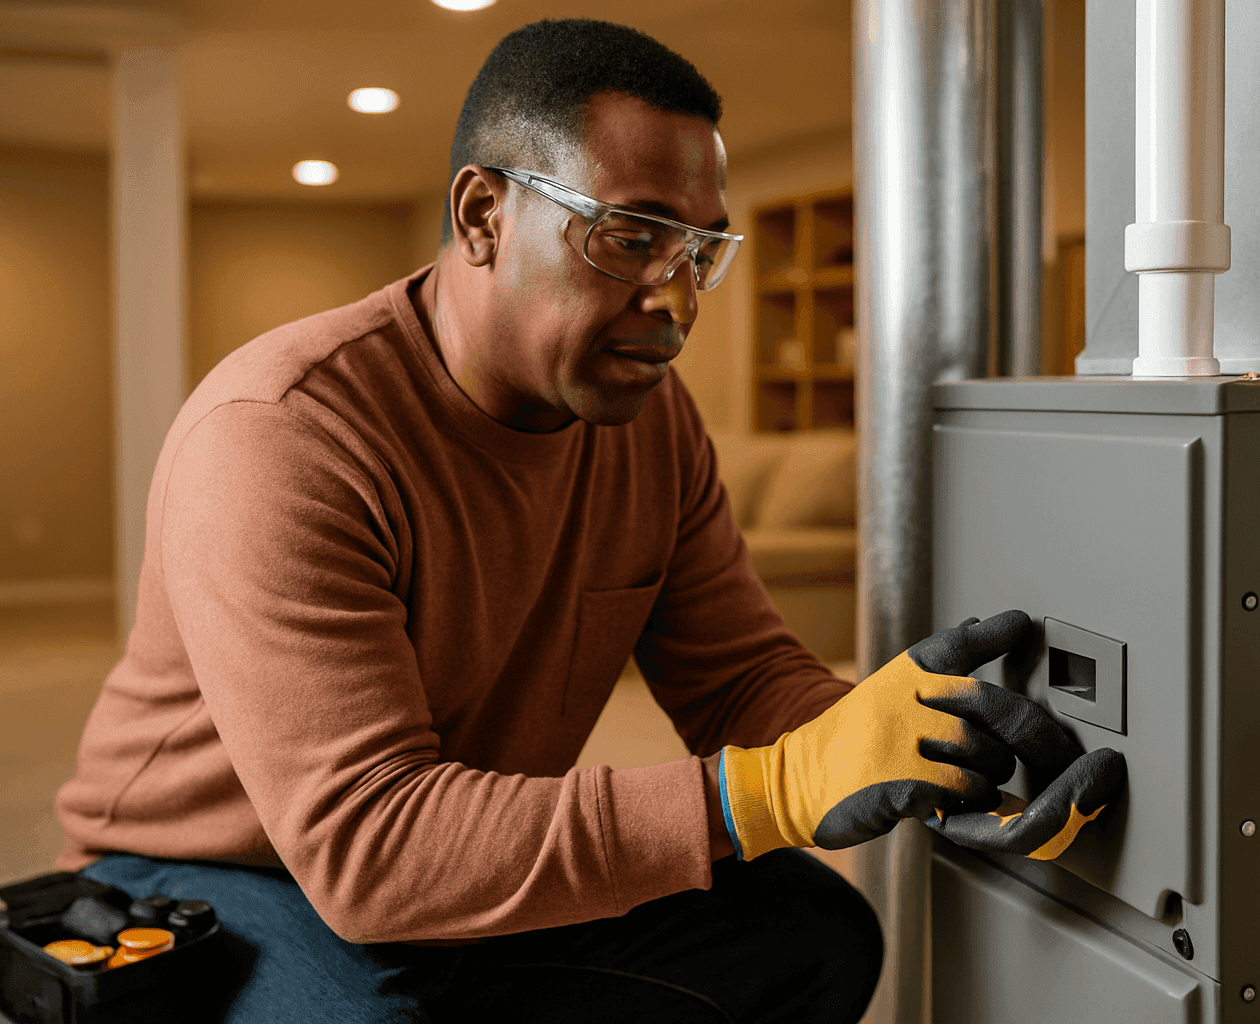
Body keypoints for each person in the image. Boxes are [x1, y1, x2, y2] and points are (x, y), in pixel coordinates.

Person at [52, 18, 1122, 1024]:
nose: (679, 300)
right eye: (634, 237)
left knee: (813, 932)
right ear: (483, 216)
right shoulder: (283, 436)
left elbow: (738, 680)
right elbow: (370, 850)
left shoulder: (651, 428)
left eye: (701, 249)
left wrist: (918, 746)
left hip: (447, 831)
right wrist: (773, 789)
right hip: (211, 864)